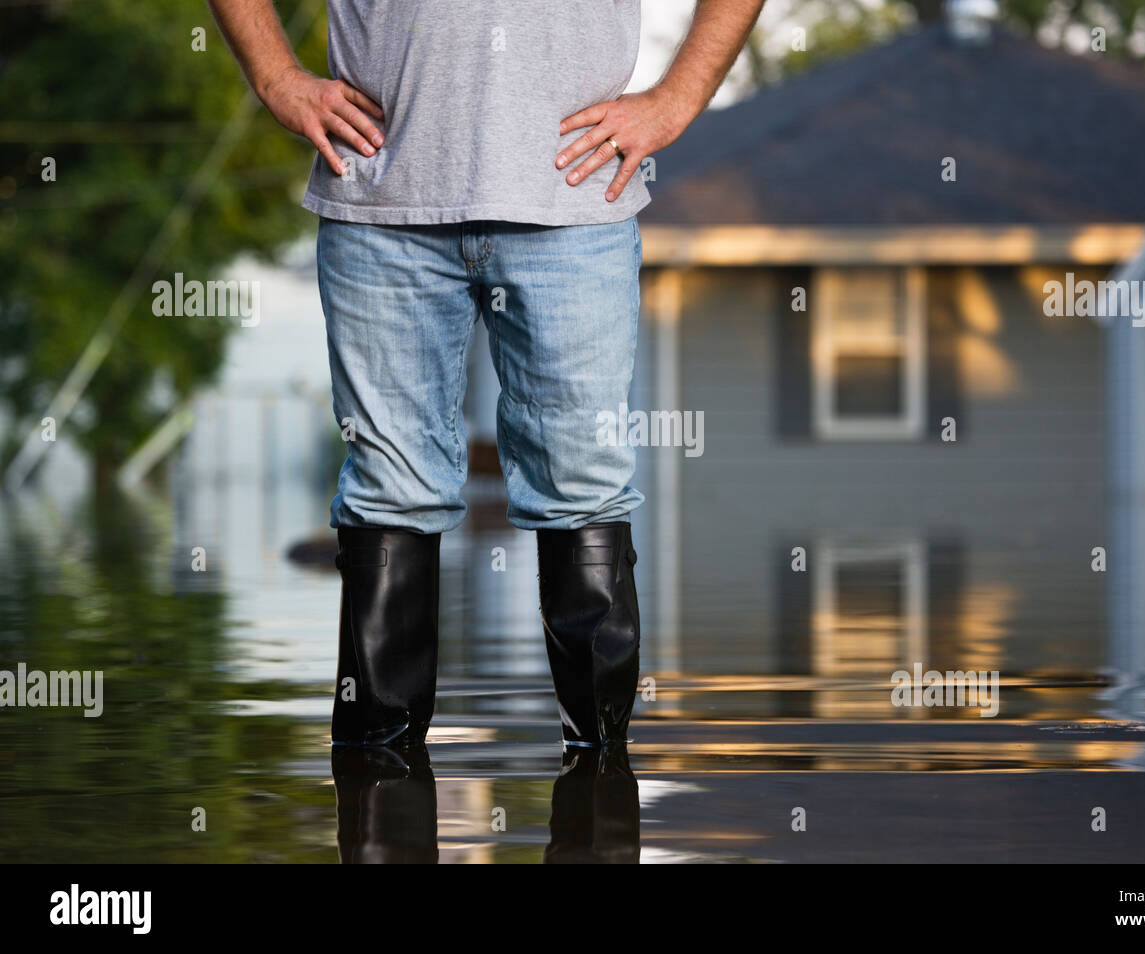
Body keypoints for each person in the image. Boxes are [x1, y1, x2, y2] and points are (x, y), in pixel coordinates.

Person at [208, 0, 765, 751]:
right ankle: (379, 790)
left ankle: (600, 788)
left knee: (583, 486)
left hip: (576, 205)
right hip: (380, 206)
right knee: (390, 492)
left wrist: (676, 100)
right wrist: (277, 78)